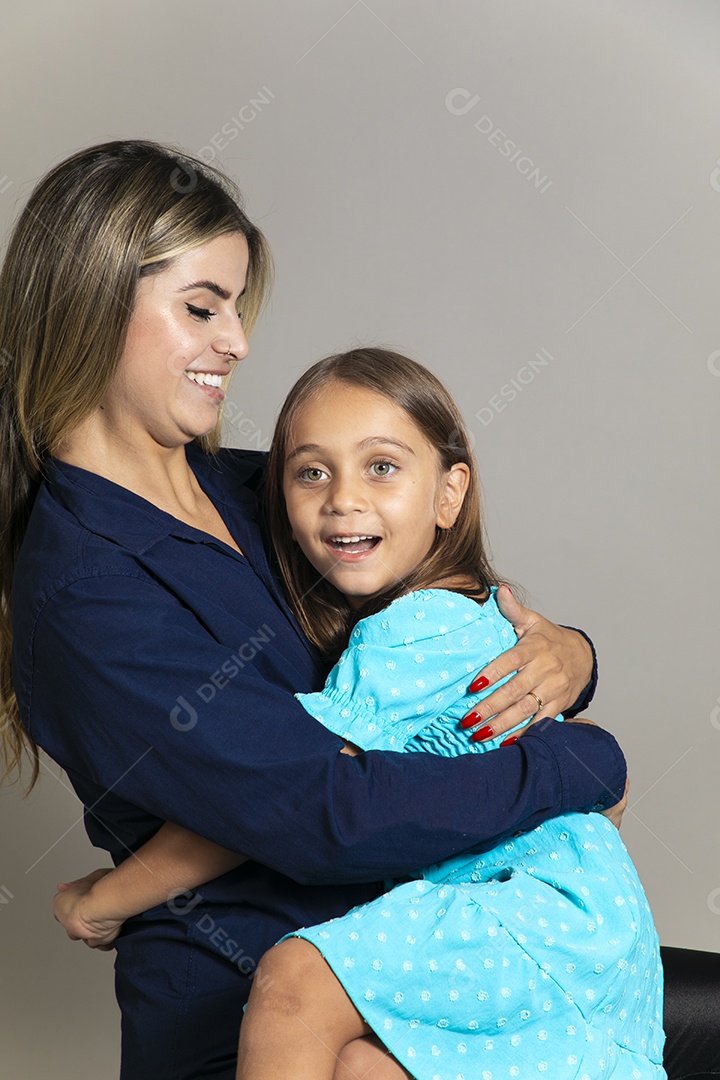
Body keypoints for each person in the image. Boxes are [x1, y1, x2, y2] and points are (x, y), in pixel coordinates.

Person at [1, 139, 625, 1080]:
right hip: (257, 1013)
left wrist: (569, 657)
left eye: (238, 310)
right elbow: (327, 812)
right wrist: (580, 758)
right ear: (93, 302)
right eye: (202, 308)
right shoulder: (84, 595)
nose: (238, 344)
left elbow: (443, 631)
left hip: (413, 957)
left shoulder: (261, 491)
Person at [54, 349, 663, 1079]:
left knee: (294, 988)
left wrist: (104, 898)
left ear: (449, 495)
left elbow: (283, 799)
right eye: (312, 472)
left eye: (381, 467)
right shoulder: (464, 611)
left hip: (525, 913)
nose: (343, 498)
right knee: (361, 1068)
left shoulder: (406, 634)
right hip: (581, 919)